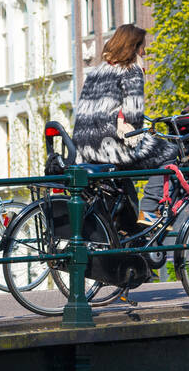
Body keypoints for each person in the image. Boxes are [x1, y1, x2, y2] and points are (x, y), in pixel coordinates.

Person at [71, 23, 179, 227]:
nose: (145, 51)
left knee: (124, 176)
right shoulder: (131, 70)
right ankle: (150, 209)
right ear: (134, 47)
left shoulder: (97, 70)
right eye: (142, 47)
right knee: (171, 153)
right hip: (110, 144)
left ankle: (126, 224)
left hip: (84, 147)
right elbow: (133, 115)